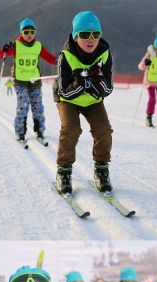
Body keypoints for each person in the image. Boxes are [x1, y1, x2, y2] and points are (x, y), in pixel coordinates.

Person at [53, 11, 115, 196]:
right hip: (67, 99)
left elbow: (109, 88)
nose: (91, 39)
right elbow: (64, 91)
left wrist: (97, 81)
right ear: (75, 36)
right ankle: (63, 172)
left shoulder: (104, 54)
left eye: (96, 34)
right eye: (84, 35)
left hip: (92, 99)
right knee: (71, 129)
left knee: (103, 129)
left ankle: (101, 170)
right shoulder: (66, 56)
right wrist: (81, 82)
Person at [0, 18, 57, 145]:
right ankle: (20, 132)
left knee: (38, 106)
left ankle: (39, 131)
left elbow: (48, 57)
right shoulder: (15, 45)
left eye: (32, 32)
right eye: (26, 32)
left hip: (35, 80)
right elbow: (0, 55)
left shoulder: (38, 45)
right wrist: (4, 49)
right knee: (23, 105)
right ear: (21, 33)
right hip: (20, 80)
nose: (29, 35)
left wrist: (58, 61)